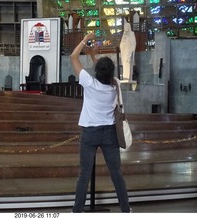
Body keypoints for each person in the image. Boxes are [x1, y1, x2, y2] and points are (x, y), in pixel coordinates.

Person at [70, 32, 131, 213]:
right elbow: (103, 71)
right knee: (116, 173)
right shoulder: (116, 85)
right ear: (112, 72)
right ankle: (126, 210)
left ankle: (77, 212)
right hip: (109, 133)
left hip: (90, 133)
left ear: (97, 72)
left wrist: (85, 40)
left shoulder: (89, 83)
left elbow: (73, 57)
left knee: (84, 175)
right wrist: (93, 56)